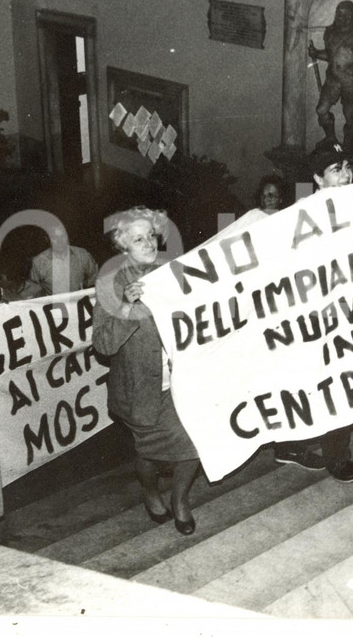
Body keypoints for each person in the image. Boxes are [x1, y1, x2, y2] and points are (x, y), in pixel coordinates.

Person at [92, 206, 201, 535]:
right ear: (123, 246)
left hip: (180, 381)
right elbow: (104, 344)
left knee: (193, 446)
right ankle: (151, 492)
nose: (148, 243)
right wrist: (126, 306)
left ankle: (180, 500)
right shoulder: (110, 281)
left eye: (151, 235)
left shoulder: (172, 268)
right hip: (139, 388)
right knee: (149, 454)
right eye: (138, 239)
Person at [273, 139, 353, 483]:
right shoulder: (301, 216)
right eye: (336, 170)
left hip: (348, 310)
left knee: (341, 380)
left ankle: (338, 455)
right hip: (312, 313)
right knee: (309, 381)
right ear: (318, 179)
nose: (345, 175)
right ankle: (289, 443)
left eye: (347, 167)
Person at [307, 0, 353, 159]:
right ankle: (331, 138)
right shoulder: (330, 32)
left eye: (345, 14)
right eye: (339, 12)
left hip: (350, 81)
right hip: (333, 79)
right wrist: (316, 53)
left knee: (350, 117)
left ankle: (347, 150)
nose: (341, 17)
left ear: (351, 16)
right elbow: (331, 56)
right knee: (321, 110)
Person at [29, 222, 100, 296]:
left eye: (63, 236)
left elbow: (95, 277)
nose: (59, 241)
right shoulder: (39, 261)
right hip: (55, 305)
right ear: (47, 239)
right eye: (54, 238)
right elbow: (33, 289)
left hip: (80, 303)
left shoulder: (82, 254)